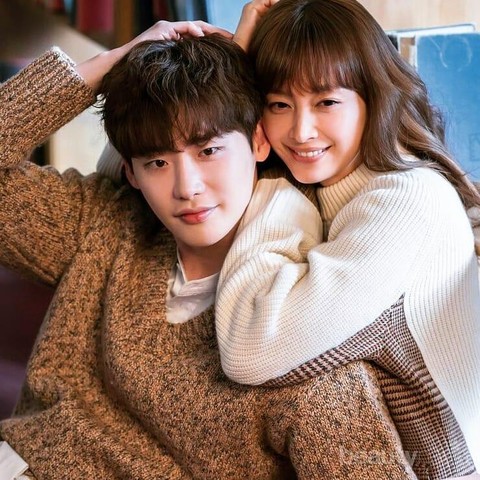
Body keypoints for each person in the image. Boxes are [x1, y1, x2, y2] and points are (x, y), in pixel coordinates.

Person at [0, 18, 418, 480]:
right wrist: (108, 65)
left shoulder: (296, 334)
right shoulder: (103, 223)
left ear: (258, 141)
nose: (187, 188)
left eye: (208, 151)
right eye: (158, 162)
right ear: (132, 172)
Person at [211, 1, 480, 479]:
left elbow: (249, 347)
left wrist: (274, 186)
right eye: (278, 104)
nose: (301, 131)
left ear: (372, 97)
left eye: (326, 102)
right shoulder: (335, 190)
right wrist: (234, 61)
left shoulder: (407, 200)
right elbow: (134, 166)